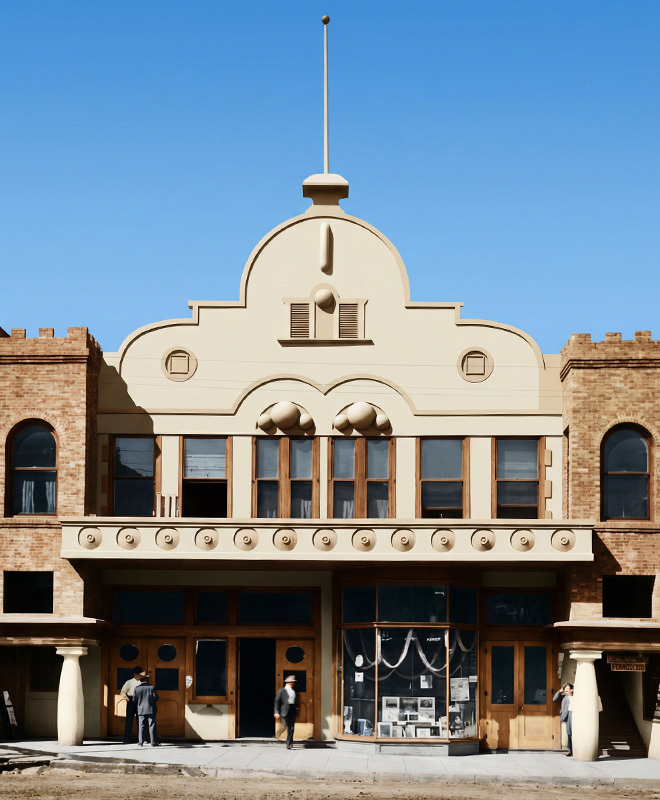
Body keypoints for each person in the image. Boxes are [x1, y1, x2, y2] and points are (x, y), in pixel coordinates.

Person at [133, 671, 159, 747]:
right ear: (147, 679)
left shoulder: (137, 689)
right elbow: (156, 698)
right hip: (150, 709)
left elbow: (134, 700)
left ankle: (140, 742)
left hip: (141, 709)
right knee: (152, 725)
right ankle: (153, 742)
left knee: (141, 725)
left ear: (140, 680)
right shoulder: (151, 687)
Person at [120, 666, 144, 743]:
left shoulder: (143, 682)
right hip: (131, 701)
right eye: (137, 674)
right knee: (129, 720)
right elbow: (123, 691)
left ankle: (141, 739)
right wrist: (126, 697)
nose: (138, 676)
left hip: (140, 701)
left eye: (139, 674)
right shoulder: (129, 682)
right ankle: (126, 739)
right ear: (134, 674)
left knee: (140, 720)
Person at [274, 675, 298, 750]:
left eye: (293, 682)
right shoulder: (282, 691)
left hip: (292, 710)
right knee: (285, 726)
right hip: (285, 710)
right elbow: (277, 701)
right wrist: (276, 711)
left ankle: (289, 743)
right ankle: (278, 735)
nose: (292, 683)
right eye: (291, 682)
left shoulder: (293, 691)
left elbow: (295, 701)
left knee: (291, 728)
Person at [553, 682, 573, 756]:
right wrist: (560, 691)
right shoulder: (564, 698)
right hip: (568, 715)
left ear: (572, 690)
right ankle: (570, 750)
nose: (566, 689)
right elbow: (554, 699)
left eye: (567, 688)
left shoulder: (576, 697)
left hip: (576, 714)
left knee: (575, 733)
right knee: (569, 733)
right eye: (565, 688)